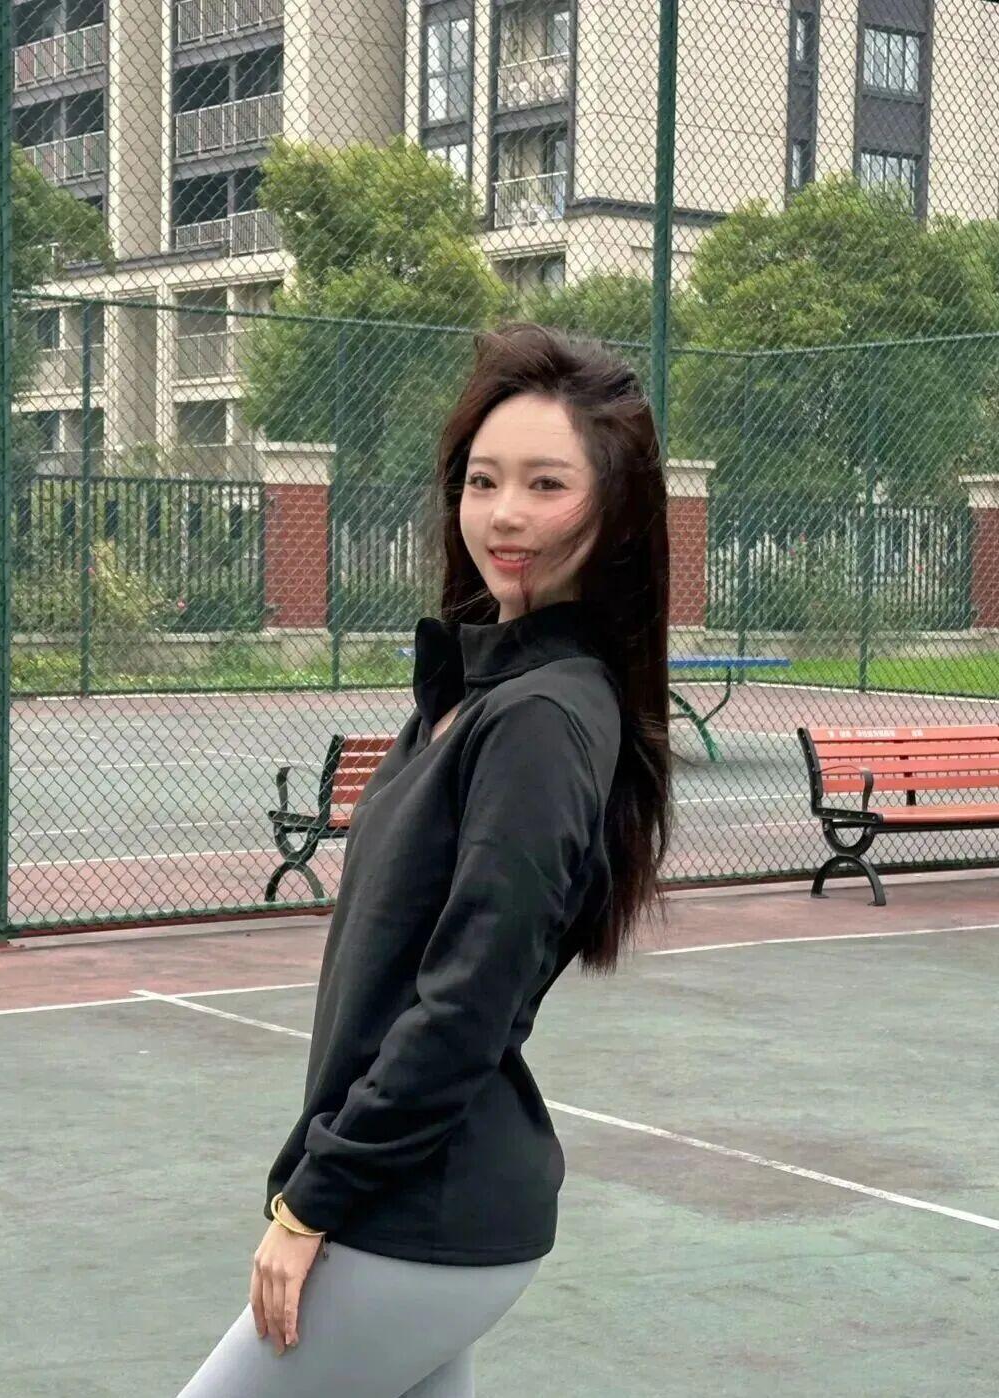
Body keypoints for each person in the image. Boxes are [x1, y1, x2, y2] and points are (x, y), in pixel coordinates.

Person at [176, 320, 673, 1396]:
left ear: (616, 508)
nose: (505, 514)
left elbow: (467, 1001)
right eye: (483, 480)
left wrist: (313, 1200)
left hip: (415, 1210)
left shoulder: (540, 717)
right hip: (422, 1200)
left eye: (547, 484)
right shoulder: (477, 690)